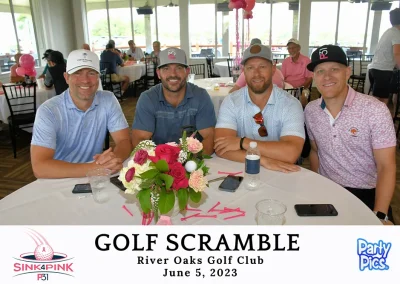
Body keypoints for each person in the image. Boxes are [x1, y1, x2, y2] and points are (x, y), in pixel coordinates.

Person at [304, 45, 396, 225]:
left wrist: (380, 215)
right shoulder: (311, 110)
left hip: (367, 193)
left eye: (334, 69)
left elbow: (386, 165)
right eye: (320, 71)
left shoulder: (375, 110)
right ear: (314, 77)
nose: (327, 76)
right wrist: (317, 188)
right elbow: (315, 152)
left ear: (347, 72)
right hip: (328, 190)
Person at [31, 49, 132, 179]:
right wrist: (95, 168)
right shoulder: (49, 111)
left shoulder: (108, 99)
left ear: (98, 77)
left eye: (91, 73)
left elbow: (124, 141)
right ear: (66, 78)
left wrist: (113, 161)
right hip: (59, 177)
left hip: (95, 177)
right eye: (77, 73)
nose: (85, 80)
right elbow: (40, 168)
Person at [215, 44, 305, 172]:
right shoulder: (231, 101)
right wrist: (263, 160)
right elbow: (221, 148)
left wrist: (242, 143)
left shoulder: (290, 104)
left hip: (281, 174)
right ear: (243, 71)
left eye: (262, 67)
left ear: (273, 69)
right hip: (242, 171)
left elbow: (290, 153)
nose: (256, 74)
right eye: (250, 67)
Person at [131, 47, 216, 155]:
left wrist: (187, 162)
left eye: (179, 68)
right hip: (158, 164)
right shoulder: (147, 99)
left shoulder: (201, 96)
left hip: (195, 162)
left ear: (187, 72)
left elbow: (209, 138)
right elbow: (140, 141)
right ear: (158, 73)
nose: (173, 74)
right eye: (166, 68)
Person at [369, 8, 400, 105]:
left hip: (376, 69)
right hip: (382, 70)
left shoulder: (390, 31)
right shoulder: (396, 33)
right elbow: (397, 53)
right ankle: (376, 119)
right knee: (382, 101)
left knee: (379, 99)